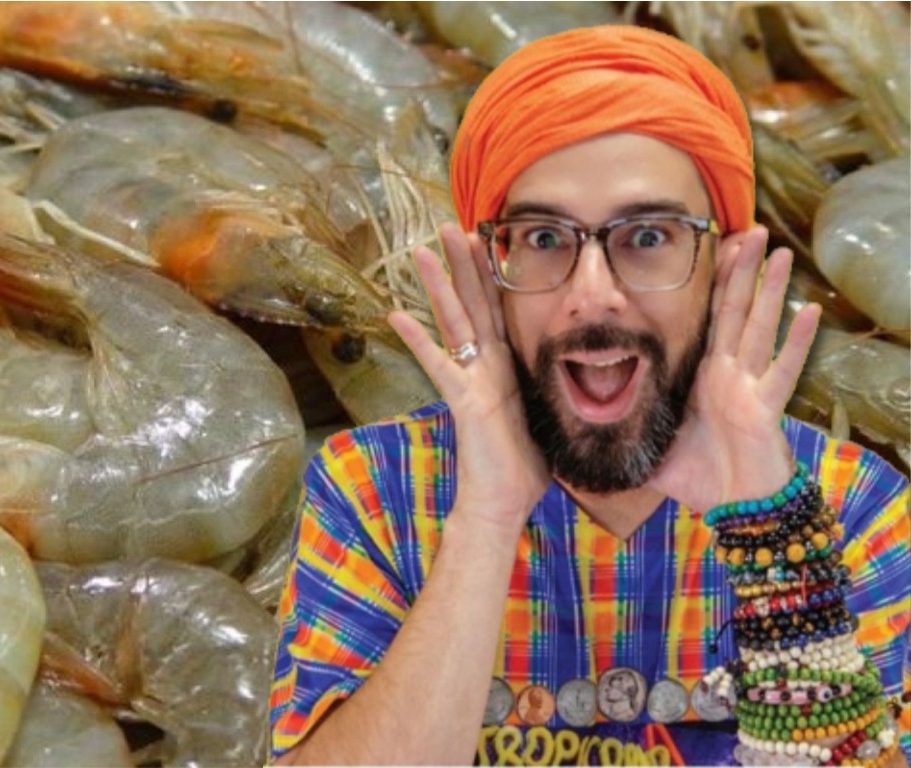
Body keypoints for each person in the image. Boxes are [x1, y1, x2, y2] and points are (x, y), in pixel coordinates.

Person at [268, 25, 910, 767]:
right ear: (490, 273)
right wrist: (486, 517)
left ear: (724, 267)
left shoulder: (852, 505)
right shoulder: (373, 488)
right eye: (544, 239)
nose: (594, 294)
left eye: (649, 236)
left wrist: (770, 532)